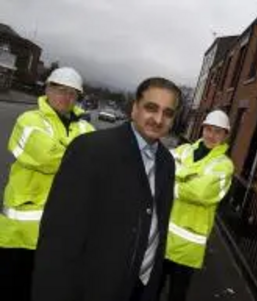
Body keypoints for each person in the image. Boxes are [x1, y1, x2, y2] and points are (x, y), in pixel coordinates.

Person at [31, 77, 181, 301]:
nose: (159, 119)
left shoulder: (167, 162)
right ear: (134, 109)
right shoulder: (91, 150)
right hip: (92, 288)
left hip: (139, 288)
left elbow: (156, 229)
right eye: (151, 108)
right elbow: (58, 239)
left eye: (168, 113)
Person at [0, 67, 94, 301]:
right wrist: (79, 156)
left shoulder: (85, 127)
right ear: (47, 89)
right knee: (13, 288)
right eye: (61, 90)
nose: (66, 97)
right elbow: (45, 157)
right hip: (21, 232)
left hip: (60, 233)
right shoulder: (29, 120)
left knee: (44, 291)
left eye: (72, 93)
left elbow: (98, 163)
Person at [161, 110, 234, 301]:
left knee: (176, 295)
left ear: (225, 135)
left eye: (218, 131)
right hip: (161, 237)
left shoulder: (224, 165)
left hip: (188, 247)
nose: (212, 135)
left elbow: (202, 193)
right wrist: (191, 179)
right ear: (202, 129)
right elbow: (161, 169)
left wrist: (174, 182)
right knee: (148, 290)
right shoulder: (184, 150)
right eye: (209, 129)